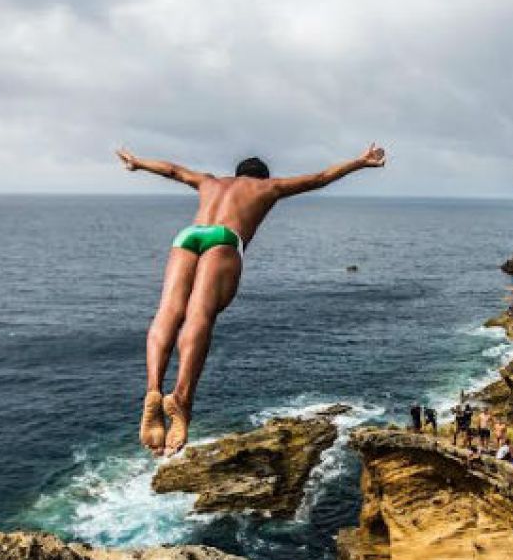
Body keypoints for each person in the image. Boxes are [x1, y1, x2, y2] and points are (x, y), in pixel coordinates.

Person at [119, 143, 387, 456]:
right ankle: (181, 398)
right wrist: (360, 161)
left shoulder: (208, 181)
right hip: (223, 238)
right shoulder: (268, 187)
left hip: (188, 236)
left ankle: (153, 389)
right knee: (199, 316)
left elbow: (172, 170)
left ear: (236, 174)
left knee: (167, 313)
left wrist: (137, 163)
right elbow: (321, 177)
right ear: (261, 177)